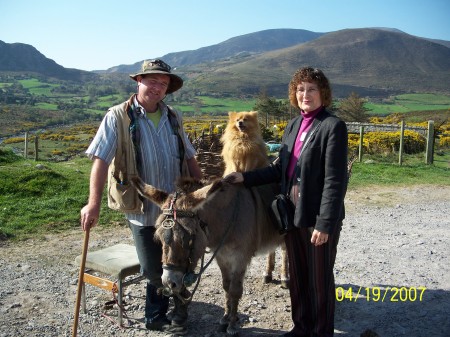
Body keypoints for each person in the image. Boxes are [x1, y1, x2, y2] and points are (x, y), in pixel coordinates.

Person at [224, 67, 348, 337]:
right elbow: (280, 168)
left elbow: (336, 181)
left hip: (316, 218)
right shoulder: (293, 126)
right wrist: (244, 178)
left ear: (323, 94)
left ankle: (321, 331)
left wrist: (325, 224)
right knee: (299, 278)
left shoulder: (332, 126)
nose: (305, 94)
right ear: (294, 93)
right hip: (291, 214)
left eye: (312, 89)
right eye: (300, 89)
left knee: (319, 281)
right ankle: (301, 327)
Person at [80, 59, 202, 332]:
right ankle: (156, 317)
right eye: (152, 81)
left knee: (181, 261)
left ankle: (179, 310)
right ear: (139, 81)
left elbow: (191, 157)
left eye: (164, 83)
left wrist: (202, 191)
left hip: (175, 207)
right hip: (142, 208)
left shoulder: (173, 117)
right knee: (153, 269)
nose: (158, 88)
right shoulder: (118, 117)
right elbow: (100, 161)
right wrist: (93, 204)